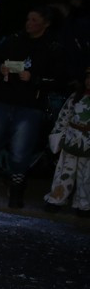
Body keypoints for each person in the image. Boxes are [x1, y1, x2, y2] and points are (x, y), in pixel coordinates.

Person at [0, 7, 67, 208]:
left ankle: (17, 187)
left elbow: (60, 79)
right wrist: (0, 68)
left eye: (34, 19)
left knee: (20, 149)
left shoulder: (52, 47)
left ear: (46, 23)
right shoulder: (14, 40)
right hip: (3, 99)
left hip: (29, 106)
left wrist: (34, 79)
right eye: (28, 18)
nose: (29, 23)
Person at [43, 66, 90, 216]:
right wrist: (58, 135)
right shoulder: (75, 97)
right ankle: (56, 198)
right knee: (64, 172)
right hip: (71, 140)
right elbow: (63, 117)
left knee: (87, 176)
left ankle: (83, 205)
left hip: (88, 144)